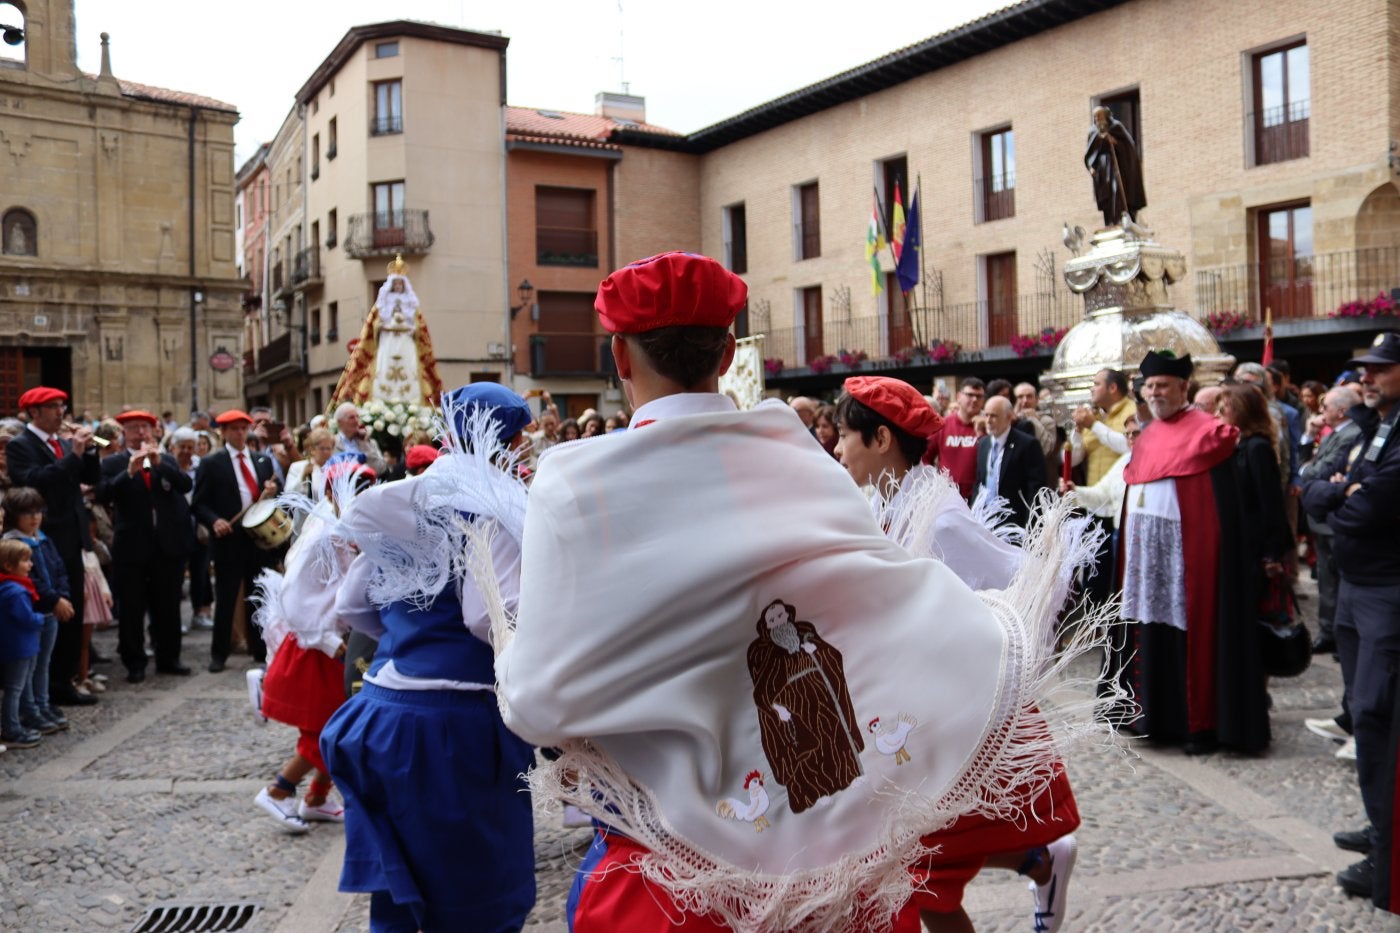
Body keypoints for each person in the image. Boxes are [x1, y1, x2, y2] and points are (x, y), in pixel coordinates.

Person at [498, 252, 1104, 931]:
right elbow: (879, 590)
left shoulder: (573, 479)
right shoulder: (789, 443)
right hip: (835, 858)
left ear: (619, 356)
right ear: (728, 352)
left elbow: (537, 703)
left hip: (686, 869)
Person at [835, 374, 1083, 933]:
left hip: (946, 718)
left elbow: (1017, 579)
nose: (837, 448)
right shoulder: (894, 501)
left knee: (922, 876)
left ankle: (1040, 859)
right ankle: (1039, 860)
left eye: (845, 436)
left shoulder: (940, 516)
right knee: (917, 861)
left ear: (880, 440)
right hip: (912, 714)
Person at [321, 383, 537, 933]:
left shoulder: (405, 498)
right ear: (506, 441)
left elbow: (351, 605)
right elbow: (487, 617)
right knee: (481, 898)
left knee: (400, 898)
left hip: (382, 712)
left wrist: (405, 636)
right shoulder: (496, 504)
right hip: (455, 725)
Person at [1116, 351, 1269, 754]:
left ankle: (1198, 723)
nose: (1155, 392)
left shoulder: (1208, 432)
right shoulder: (1147, 433)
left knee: (1196, 634)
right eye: (1149, 387)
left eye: (1162, 385)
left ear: (1184, 387)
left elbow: (1220, 506)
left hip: (1191, 559)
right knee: (1152, 633)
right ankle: (1155, 717)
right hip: (1149, 560)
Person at [1301, 334, 1400, 905]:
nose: (1368, 377)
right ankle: (1378, 825)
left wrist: (1341, 494)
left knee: (1375, 713)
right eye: (1365, 368)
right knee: (1364, 719)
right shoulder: (1368, 425)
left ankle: (1388, 844)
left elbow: (1367, 509)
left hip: (1387, 591)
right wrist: (1339, 490)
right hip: (1356, 589)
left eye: (1381, 369)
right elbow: (1313, 491)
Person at [251, 463, 372, 834]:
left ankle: (317, 797)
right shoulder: (323, 534)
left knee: (339, 723)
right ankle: (277, 790)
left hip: (339, 643)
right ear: (334, 493)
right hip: (320, 647)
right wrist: (330, 641)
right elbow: (296, 596)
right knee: (328, 730)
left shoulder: (345, 527)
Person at [5, 386, 99, 708]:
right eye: (53, 407)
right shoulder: (21, 445)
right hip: (43, 536)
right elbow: (38, 480)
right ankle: (46, 689)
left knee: (71, 606)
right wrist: (73, 456)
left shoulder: (61, 442)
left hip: (72, 536)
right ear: (35, 413)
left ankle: (65, 680)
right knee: (50, 607)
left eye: (62, 406)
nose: (61, 412)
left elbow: (91, 477)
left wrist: (89, 451)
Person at [96, 410, 194, 682]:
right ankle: (134, 662)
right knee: (131, 608)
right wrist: (129, 472)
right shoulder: (114, 462)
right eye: (135, 428)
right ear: (123, 433)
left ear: (154, 433)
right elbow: (103, 493)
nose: (141, 433)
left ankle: (169, 657)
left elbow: (185, 485)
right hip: (132, 546)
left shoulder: (166, 460)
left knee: (168, 606)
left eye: (146, 428)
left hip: (166, 546)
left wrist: (160, 464)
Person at [192, 410, 280, 673]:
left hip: (257, 539)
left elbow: (276, 497)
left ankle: (259, 648)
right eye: (234, 429)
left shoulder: (263, 460)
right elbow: (199, 504)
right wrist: (214, 520)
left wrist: (274, 492)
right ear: (224, 432)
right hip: (228, 539)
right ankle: (219, 653)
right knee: (227, 597)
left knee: (259, 596)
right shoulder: (212, 463)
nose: (240, 433)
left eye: (243, 428)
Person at [1298, 387, 1361, 656]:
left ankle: (1341, 634)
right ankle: (1329, 631)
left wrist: (1307, 472)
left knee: (1339, 578)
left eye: (1326, 407)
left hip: (1334, 517)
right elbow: (1307, 464)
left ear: (1341, 410)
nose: (1321, 412)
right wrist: (1309, 437)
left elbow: (1321, 470)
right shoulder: (1334, 433)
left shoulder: (1351, 434)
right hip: (1320, 518)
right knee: (1327, 578)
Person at [2, 486, 70, 737]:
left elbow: (58, 568)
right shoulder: (13, 543)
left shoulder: (43, 538)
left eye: (37, 512)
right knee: (28, 667)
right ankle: (29, 710)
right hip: (34, 611)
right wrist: (53, 600)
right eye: (27, 513)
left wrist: (63, 595)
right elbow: (32, 580)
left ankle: (42, 704)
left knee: (43, 664)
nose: (34, 517)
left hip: (50, 611)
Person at [974, 395, 1048, 529]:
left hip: (1014, 523)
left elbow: (1035, 489)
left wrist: (1031, 525)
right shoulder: (983, 444)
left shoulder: (1027, 444)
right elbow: (980, 482)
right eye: (986, 415)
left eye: (994, 416)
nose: (988, 420)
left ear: (1009, 417)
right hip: (986, 521)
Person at [0, 538, 46, 749]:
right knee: (15, 688)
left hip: (17, 646)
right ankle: (12, 728)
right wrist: (41, 618)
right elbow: (26, 619)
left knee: (15, 687)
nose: (30, 565)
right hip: (20, 647)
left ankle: (14, 725)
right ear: (9, 566)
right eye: (25, 561)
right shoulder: (16, 592)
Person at [922, 377, 985, 500]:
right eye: (970, 395)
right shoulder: (943, 425)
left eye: (979, 396)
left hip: (980, 499)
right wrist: (933, 484)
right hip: (947, 498)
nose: (974, 400)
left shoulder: (989, 427)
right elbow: (924, 458)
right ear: (959, 397)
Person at [1084, 105, 1145, 226]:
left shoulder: (1116, 126)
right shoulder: (1092, 131)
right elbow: (1089, 154)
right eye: (1095, 117)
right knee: (1107, 196)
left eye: (1099, 116)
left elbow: (1129, 148)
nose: (1097, 119)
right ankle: (1110, 222)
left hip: (1118, 166)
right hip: (1102, 169)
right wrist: (1091, 167)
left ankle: (1122, 220)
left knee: (1117, 190)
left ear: (1106, 116)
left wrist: (1115, 142)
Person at [331, 404, 387, 476]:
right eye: (351, 417)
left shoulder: (369, 443)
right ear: (339, 422)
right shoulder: (332, 443)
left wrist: (365, 444)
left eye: (357, 417)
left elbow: (380, 469)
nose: (356, 420)